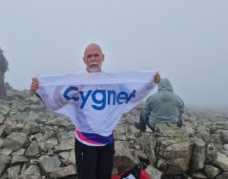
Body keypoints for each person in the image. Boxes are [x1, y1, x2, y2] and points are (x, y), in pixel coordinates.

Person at [31, 43, 160, 179]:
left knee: (104, 176)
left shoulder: (111, 81)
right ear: (84, 60)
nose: (93, 59)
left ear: (102, 57)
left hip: (107, 142)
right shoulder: (76, 80)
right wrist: (40, 90)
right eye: (89, 56)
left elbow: (132, 95)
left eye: (96, 55)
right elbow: (57, 101)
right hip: (85, 142)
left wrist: (150, 82)